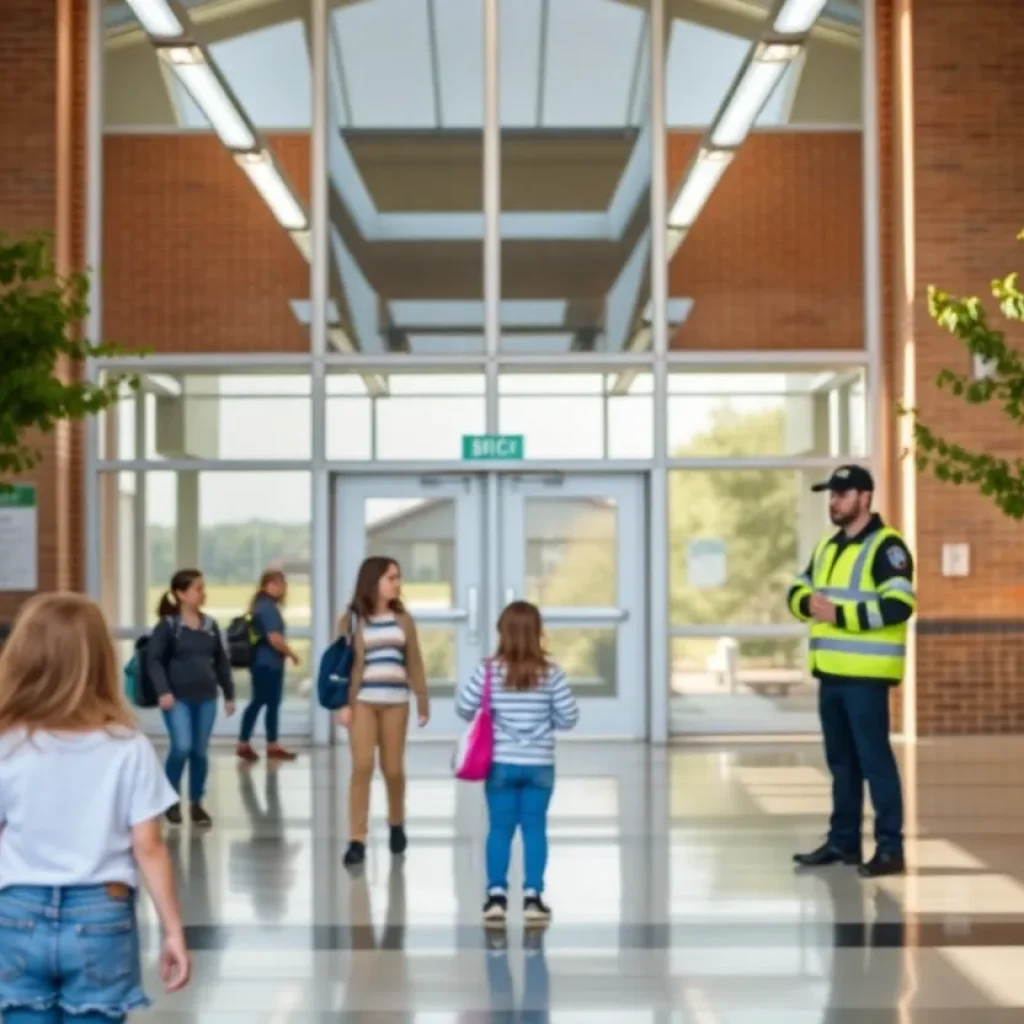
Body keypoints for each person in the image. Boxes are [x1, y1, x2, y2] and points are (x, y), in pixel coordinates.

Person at [0, 593, 190, 1022]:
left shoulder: (6, 742)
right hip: (102, 917)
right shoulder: (128, 747)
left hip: (16, 913)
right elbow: (149, 848)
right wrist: (173, 931)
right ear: (101, 661)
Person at [788, 465, 916, 878]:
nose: (834, 501)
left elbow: (899, 605)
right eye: (832, 494)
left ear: (866, 497)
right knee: (841, 763)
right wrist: (806, 603)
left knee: (874, 762)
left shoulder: (887, 548)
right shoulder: (828, 546)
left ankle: (890, 850)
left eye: (842, 494)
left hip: (866, 677)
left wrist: (839, 613)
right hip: (831, 674)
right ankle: (843, 843)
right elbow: (797, 588)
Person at [456, 601, 579, 925]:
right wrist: (544, 721)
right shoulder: (551, 672)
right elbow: (569, 718)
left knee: (499, 829)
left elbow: (464, 708)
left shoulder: (488, 670)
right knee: (534, 830)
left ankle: (495, 898)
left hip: (499, 764)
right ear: (538, 633)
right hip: (539, 764)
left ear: (502, 632)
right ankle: (533, 899)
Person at [335, 556, 429, 868]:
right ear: (373, 580)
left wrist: (422, 700)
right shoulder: (350, 620)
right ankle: (357, 839)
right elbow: (340, 666)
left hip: (396, 703)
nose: (397, 583)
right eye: (391, 577)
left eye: (398, 577)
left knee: (392, 770)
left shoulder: (404, 619)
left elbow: (414, 661)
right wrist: (342, 704)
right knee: (362, 766)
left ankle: (396, 822)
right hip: (362, 702)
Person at [147, 568, 235, 828]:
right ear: (181, 594)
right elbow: (154, 661)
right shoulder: (168, 627)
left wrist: (228, 694)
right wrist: (163, 690)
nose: (202, 593)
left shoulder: (210, 625)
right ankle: (169, 799)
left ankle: (197, 803)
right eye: (197, 589)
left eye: (202, 588)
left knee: (199, 752)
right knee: (182, 747)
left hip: (206, 698)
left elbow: (221, 663)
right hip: (177, 700)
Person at [237, 569, 300, 763]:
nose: (283, 590)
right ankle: (245, 743)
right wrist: (291, 653)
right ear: (270, 585)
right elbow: (274, 638)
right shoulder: (267, 607)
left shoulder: (260, 605)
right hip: (267, 664)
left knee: (270, 704)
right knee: (260, 702)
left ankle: (271, 744)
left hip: (263, 662)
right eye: (280, 585)